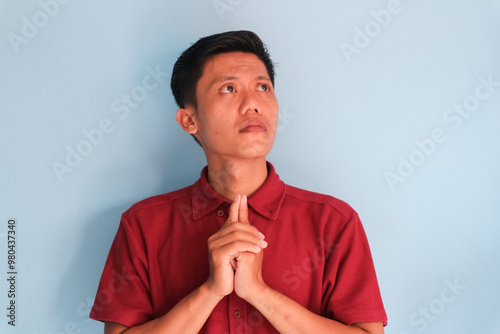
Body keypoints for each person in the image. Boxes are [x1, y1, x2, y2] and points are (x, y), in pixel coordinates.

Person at [90, 30, 388, 333]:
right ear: (189, 121)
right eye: (229, 89)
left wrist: (259, 292)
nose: (252, 104)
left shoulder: (333, 222)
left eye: (263, 87)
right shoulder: (143, 225)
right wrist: (210, 291)